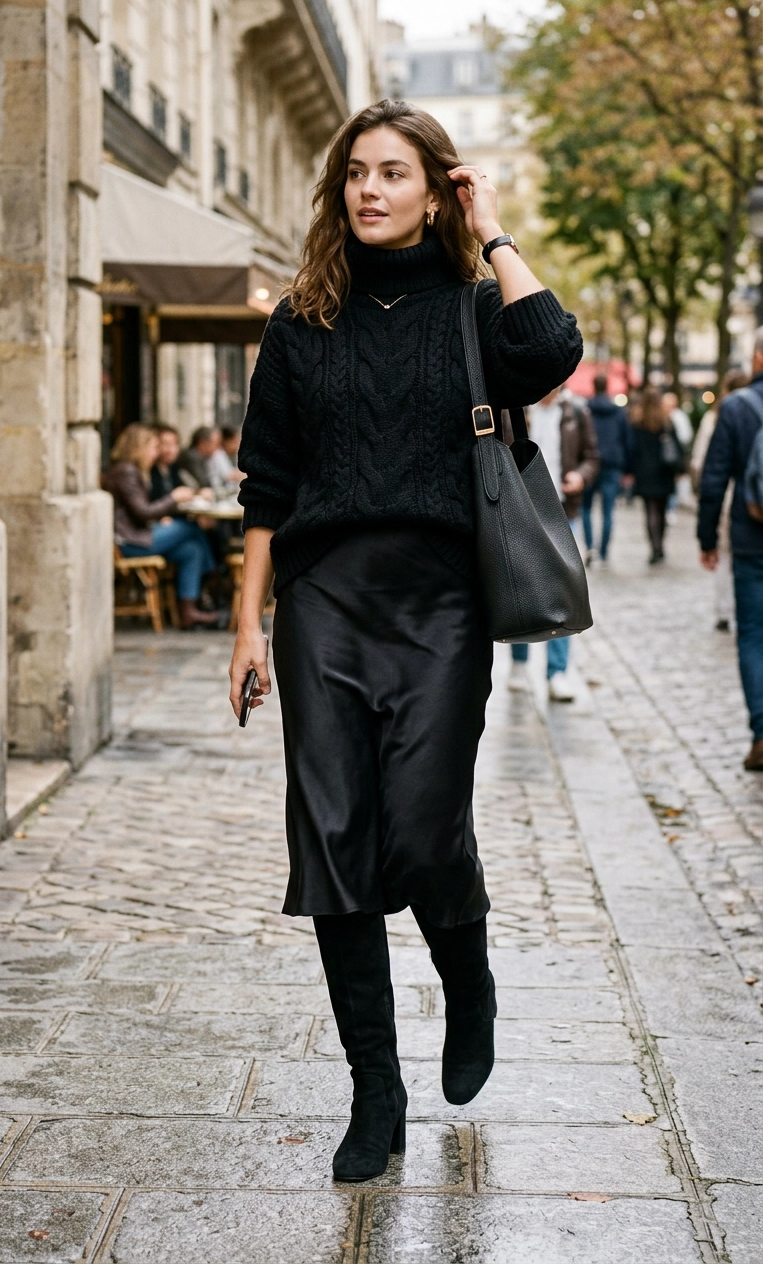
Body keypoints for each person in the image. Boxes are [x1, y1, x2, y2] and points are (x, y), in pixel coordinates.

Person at [228, 99, 583, 1183]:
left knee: (424, 833)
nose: (370, 189)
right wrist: (249, 619)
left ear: (435, 189)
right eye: (355, 173)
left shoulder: (475, 308)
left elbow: (552, 348)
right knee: (336, 842)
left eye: (395, 173)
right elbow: (267, 484)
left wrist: (493, 230)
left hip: (441, 605)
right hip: (324, 601)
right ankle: (373, 1089)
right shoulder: (301, 321)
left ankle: (466, 979)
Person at [698, 329, 763, 771]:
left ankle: (762, 733)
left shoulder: (738, 407)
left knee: (754, 635)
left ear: (757, 357)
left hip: (752, 541)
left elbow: (714, 478)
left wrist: (707, 539)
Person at [508, 387, 598, 700]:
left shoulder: (575, 411)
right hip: (521, 509)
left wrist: (581, 477)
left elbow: (592, 455)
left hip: (563, 510)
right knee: (519, 588)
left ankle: (557, 672)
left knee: (564, 591)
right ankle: (519, 662)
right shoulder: (515, 406)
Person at [103, 423, 219, 629]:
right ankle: (212, 578)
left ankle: (188, 611)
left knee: (190, 550)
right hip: (130, 541)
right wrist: (174, 498)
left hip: (139, 534)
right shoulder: (126, 471)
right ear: (139, 447)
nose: (156, 453)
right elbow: (144, 511)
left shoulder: (132, 470)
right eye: (154, 447)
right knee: (190, 527)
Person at [690, 370, 748, 631]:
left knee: (724, 553)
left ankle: (725, 609)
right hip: (750, 494)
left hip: (725, 495)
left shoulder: (716, 416)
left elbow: (701, 461)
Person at [582, 372, 632, 565]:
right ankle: (603, 553)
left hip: (589, 464)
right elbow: (627, 441)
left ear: (594, 386)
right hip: (612, 464)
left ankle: (589, 548)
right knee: (608, 511)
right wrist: (628, 469)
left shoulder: (585, 409)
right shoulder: (618, 412)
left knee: (586, 507)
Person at [630, 388, 684, 564]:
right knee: (661, 510)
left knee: (650, 511)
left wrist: (631, 470)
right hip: (664, 472)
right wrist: (679, 470)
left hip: (645, 473)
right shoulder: (666, 422)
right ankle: (660, 546)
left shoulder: (637, 422)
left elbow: (632, 449)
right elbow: (677, 448)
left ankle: (654, 547)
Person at [177, 426, 220, 491]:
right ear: (202, 442)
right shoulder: (191, 457)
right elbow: (203, 483)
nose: (218, 448)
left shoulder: (203, 457)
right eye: (216, 444)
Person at [149, 424, 182, 501]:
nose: (173, 450)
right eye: (167, 444)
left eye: (175, 444)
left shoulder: (173, 467)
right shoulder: (149, 469)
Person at [207, 425, 243, 492]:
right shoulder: (218, 455)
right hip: (218, 493)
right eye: (235, 441)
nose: (238, 444)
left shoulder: (227, 455)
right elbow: (229, 476)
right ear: (227, 442)